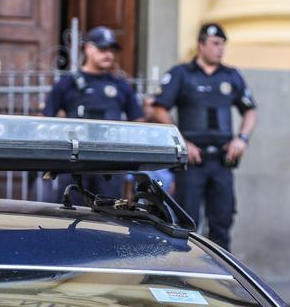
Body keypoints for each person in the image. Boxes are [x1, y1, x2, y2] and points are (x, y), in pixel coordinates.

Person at [150, 23, 257, 251]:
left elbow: (250, 110)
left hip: (221, 161)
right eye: (215, 44)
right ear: (201, 45)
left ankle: (219, 281)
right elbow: (159, 109)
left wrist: (242, 139)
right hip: (192, 161)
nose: (221, 49)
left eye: (223, 45)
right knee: (186, 223)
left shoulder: (231, 76)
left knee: (222, 222)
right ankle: (183, 278)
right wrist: (182, 142)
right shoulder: (182, 74)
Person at [42, 26, 144, 200]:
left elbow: (139, 122)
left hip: (110, 164)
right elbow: (45, 120)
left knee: (109, 216)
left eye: (111, 50)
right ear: (88, 48)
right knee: (70, 213)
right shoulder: (67, 84)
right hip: (74, 162)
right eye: (102, 49)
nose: (108, 54)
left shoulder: (120, 85)